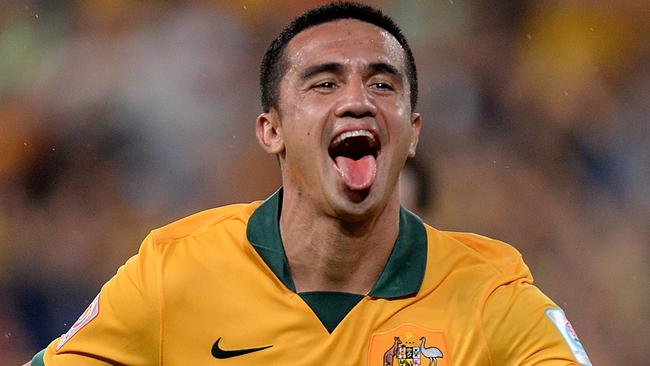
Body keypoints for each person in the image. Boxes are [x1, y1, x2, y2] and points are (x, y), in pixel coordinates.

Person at [25, 2, 592, 365]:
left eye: (383, 85)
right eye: (324, 83)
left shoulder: (490, 294)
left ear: (413, 132)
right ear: (270, 130)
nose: (357, 101)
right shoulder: (174, 271)